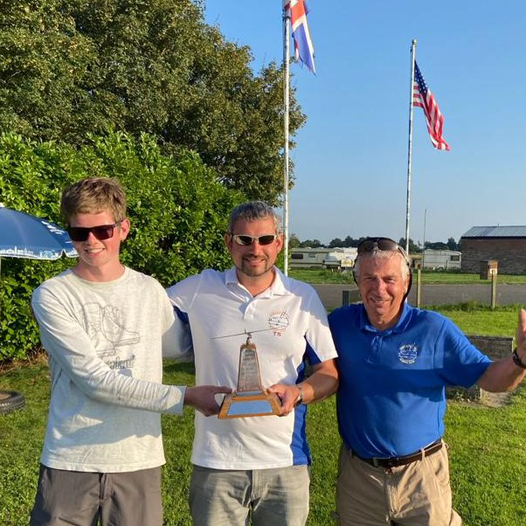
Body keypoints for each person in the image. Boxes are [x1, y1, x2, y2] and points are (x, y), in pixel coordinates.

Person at [30, 177, 230, 526]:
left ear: (123, 229)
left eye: (102, 231)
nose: (91, 242)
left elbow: (182, 346)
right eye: (79, 233)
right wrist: (185, 396)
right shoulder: (52, 295)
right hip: (71, 458)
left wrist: (243, 330)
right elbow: (94, 380)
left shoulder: (149, 289)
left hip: (138, 457)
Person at [329, 237, 526, 526]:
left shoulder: (434, 329)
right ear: (357, 280)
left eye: (389, 279)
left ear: (406, 282)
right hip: (359, 478)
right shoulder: (339, 324)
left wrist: (519, 360)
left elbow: (490, 378)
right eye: (369, 278)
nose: (379, 289)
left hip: (421, 476)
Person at [166, 201, 339, 526]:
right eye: (244, 240)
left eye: (265, 240)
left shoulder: (302, 297)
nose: (255, 249)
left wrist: (298, 393)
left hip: (284, 461)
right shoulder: (199, 288)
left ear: (279, 242)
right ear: (229, 242)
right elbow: (143, 310)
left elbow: (328, 374)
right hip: (216, 461)